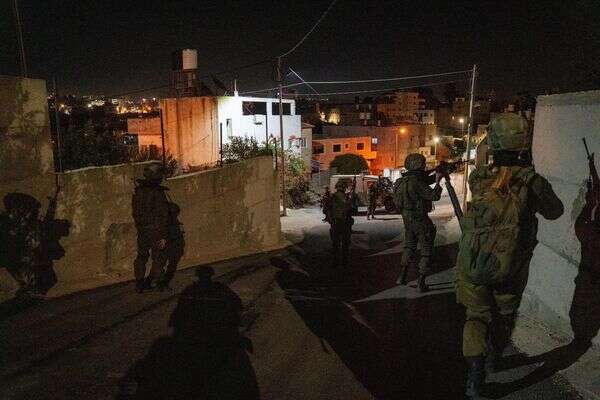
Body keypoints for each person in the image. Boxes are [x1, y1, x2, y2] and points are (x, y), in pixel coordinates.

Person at [455, 113, 564, 399]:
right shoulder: (530, 182)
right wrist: (529, 174)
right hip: (510, 266)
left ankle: (475, 378)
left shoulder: (479, 178)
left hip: (472, 262)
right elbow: (555, 211)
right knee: (504, 317)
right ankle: (493, 358)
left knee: (476, 317)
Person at [393, 153, 442, 292]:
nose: (425, 166)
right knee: (426, 251)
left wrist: (435, 174)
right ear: (418, 165)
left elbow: (422, 183)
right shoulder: (416, 182)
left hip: (407, 220)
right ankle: (421, 282)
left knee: (409, 247)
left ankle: (402, 276)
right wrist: (438, 181)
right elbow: (434, 196)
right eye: (423, 164)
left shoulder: (401, 182)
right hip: (420, 220)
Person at [132, 163, 171, 293]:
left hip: (142, 230)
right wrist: (163, 235)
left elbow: (135, 213)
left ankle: (139, 284)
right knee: (159, 257)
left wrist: (140, 227)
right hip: (156, 231)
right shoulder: (158, 193)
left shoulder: (138, 192)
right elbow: (163, 215)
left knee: (141, 257)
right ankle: (159, 283)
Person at [328, 180, 353, 268]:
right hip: (345, 223)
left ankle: (335, 261)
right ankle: (344, 262)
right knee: (345, 244)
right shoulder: (347, 197)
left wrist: (330, 219)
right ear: (344, 188)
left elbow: (326, 210)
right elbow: (352, 210)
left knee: (335, 244)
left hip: (336, 222)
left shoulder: (332, 197)